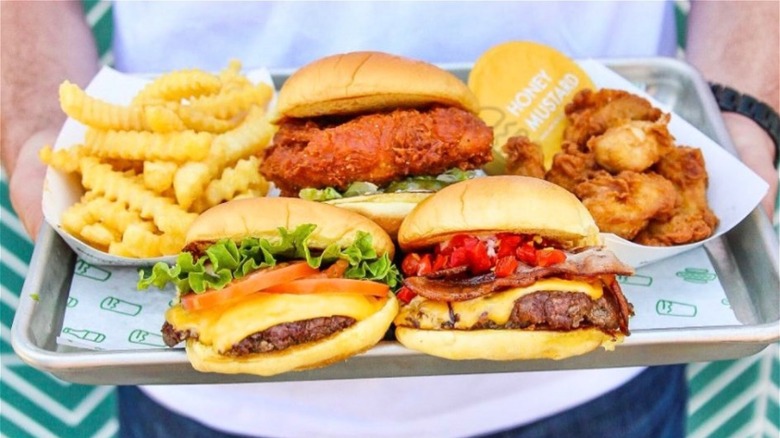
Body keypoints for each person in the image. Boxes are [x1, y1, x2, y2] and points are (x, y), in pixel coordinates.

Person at [1, 1, 777, 437]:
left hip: (589, 389)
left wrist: (741, 109)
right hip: (207, 411)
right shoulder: (272, 153)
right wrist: (34, 126)